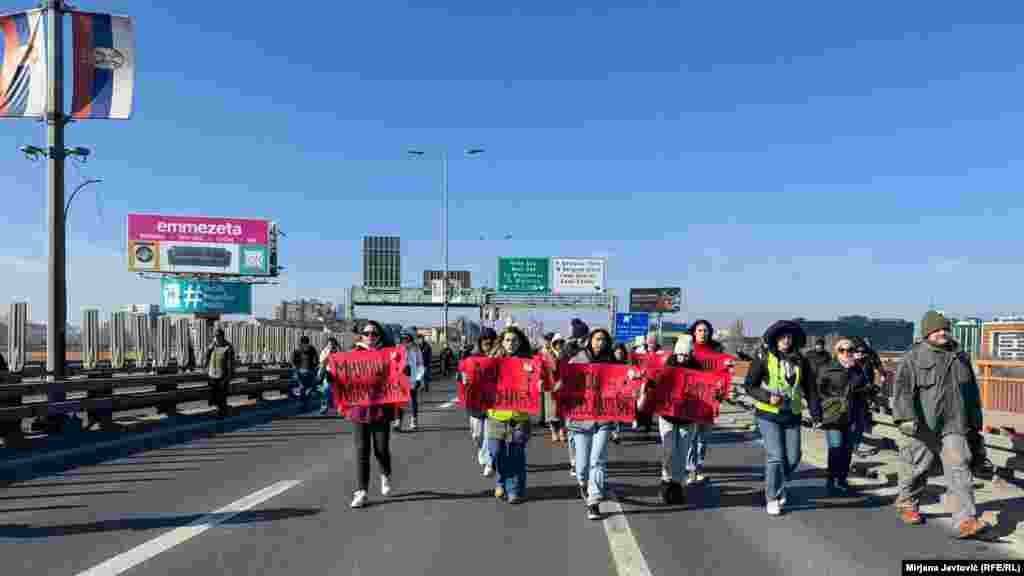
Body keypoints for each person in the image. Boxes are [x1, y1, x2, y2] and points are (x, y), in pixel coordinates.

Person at [891, 311, 990, 539]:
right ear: (927, 333)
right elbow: (902, 391)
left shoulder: (960, 357)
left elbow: (972, 394)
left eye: (945, 329)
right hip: (922, 424)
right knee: (917, 468)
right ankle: (907, 503)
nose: (941, 333)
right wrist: (905, 419)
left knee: (960, 467)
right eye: (936, 329)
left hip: (954, 424)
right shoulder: (913, 358)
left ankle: (965, 520)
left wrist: (975, 424)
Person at [743, 320, 820, 516]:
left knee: (793, 458)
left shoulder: (801, 360)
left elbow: (810, 389)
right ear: (775, 339)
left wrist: (816, 413)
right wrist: (768, 396)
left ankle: (776, 482)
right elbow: (749, 385)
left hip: (792, 414)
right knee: (776, 456)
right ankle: (772, 497)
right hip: (768, 413)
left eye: (789, 337)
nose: (786, 340)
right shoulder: (763, 357)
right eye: (782, 337)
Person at [565, 327, 620, 520]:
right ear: (590, 341)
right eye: (597, 339)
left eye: (604, 340)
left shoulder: (613, 363)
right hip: (581, 419)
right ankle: (582, 482)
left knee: (597, 461)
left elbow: (622, 387)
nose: (600, 343)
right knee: (582, 465)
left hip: (603, 417)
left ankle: (594, 501)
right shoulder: (577, 361)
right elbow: (564, 385)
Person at [349, 320, 400, 509]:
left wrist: (404, 371)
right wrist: (331, 375)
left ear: (379, 337)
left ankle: (385, 475)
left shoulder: (387, 355)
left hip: (381, 410)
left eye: (374, 334)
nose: (370, 337)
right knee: (362, 451)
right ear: (361, 336)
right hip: (359, 410)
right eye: (367, 333)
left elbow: (398, 375)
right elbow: (342, 376)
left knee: (381, 449)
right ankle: (361, 491)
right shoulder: (352, 354)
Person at [482, 326, 535, 504]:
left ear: (520, 342)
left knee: (515, 455)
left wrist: (539, 382)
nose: (510, 343)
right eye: (507, 340)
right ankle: (500, 481)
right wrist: (465, 378)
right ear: (502, 342)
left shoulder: (529, 362)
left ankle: (514, 490)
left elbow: (538, 384)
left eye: (514, 340)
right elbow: (477, 379)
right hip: (496, 416)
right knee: (496, 453)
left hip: (519, 418)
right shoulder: (492, 361)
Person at [815, 337, 865, 493]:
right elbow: (817, 391)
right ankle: (831, 480)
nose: (846, 353)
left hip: (852, 415)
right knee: (835, 448)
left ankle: (841, 480)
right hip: (834, 416)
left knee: (847, 450)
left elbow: (862, 389)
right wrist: (826, 405)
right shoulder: (827, 368)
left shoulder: (857, 369)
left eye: (849, 350)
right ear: (836, 353)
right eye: (842, 350)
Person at [658, 334, 703, 504]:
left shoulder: (697, 368)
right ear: (675, 353)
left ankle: (677, 485)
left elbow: (704, 389)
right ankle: (665, 482)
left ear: (691, 353)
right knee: (668, 451)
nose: (682, 358)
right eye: (680, 354)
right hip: (668, 417)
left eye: (686, 354)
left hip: (688, 418)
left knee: (682, 453)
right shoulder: (667, 365)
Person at [687, 319, 726, 484]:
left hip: (710, 398)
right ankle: (691, 469)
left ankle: (699, 466)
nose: (703, 333)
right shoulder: (687, 349)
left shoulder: (716, 350)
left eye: (705, 330)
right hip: (693, 397)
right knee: (692, 436)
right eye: (700, 330)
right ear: (694, 333)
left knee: (704, 437)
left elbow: (722, 372)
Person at [461, 327, 498, 476]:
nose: (488, 345)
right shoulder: (471, 358)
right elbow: (463, 374)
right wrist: (463, 378)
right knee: (477, 435)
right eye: (485, 342)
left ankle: (489, 462)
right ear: (481, 343)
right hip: (475, 401)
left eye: (491, 342)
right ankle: (481, 450)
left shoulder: (499, 359)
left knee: (489, 434)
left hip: (492, 401)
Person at [541, 333, 567, 444]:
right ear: (553, 344)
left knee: (562, 412)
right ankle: (553, 432)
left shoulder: (566, 355)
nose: (559, 345)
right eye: (557, 343)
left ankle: (561, 431)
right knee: (551, 412)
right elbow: (543, 369)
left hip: (563, 386)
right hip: (550, 386)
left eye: (561, 342)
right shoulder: (547, 355)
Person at [398, 331, 425, 431]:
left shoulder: (416, 349)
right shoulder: (399, 349)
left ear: (410, 339)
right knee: (399, 401)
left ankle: (414, 420)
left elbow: (420, 364)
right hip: (401, 378)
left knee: (413, 400)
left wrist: (419, 378)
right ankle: (398, 421)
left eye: (407, 339)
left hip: (413, 378)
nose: (405, 341)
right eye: (403, 339)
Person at [205, 328, 235, 419]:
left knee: (222, 395)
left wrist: (229, 376)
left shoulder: (228, 347)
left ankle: (222, 412)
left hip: (223, 375)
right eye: (215, 336)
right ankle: (218, 410)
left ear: (222, 336)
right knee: (213, 394)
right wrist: (209, 349)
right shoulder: (213, 346)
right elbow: (207, 358)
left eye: (218, 336)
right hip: (212, 374)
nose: (216, 338)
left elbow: (230, 362)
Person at [291, 335, 319, 411]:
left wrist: (295, 370)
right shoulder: (312, 348)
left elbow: (293, 361)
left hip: (300, 371)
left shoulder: (297, 349)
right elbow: (316, 360)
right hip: (309, 371)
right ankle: (304, 403)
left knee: (302, 388)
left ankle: (303, 403)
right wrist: (314, 367)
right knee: (309, 387)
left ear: (300, 342)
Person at [318, 337, 341, 416]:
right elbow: (321, 364)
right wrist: (328, 356)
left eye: (332, 344)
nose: (331, 346)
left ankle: (335, 408)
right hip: (328, 372)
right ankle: (324, 407)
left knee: (336, 391)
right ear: (327, 345)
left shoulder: (339, 351)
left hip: (337, 373)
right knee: (326, 390)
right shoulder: (324, 351)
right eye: (329, 344)